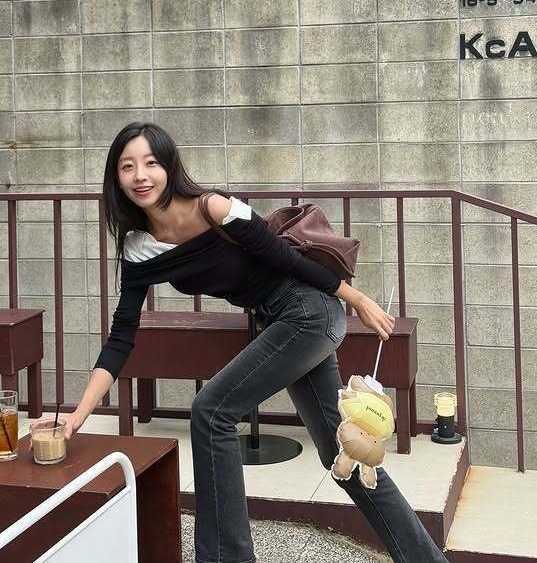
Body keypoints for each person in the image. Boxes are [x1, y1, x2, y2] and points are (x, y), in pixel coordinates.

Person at [64, 122, 448, 563]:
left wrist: (356, 298)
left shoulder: (214, 207)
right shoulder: (139, 248)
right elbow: (121, 336)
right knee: (343, 453)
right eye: (127, 166)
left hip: (309, 312)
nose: (140, 175)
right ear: (116, 178)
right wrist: (78, 415)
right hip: (281, 320)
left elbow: (284, 257)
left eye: (151, 163)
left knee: (211, 411)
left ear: (169, 166)